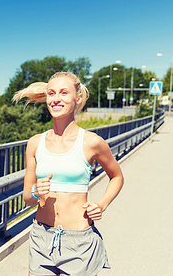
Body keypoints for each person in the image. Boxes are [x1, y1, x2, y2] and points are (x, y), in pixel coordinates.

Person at [13, 72, 124, 276]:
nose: (56, 99)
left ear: (78, 98)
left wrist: (101, 204)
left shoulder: (92, 142)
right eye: (51, 93)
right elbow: (28, 199)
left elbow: (117, 176)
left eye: (64, 93)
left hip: (78, 242)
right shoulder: (35, 143)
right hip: (42, 236)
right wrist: (36, 191)